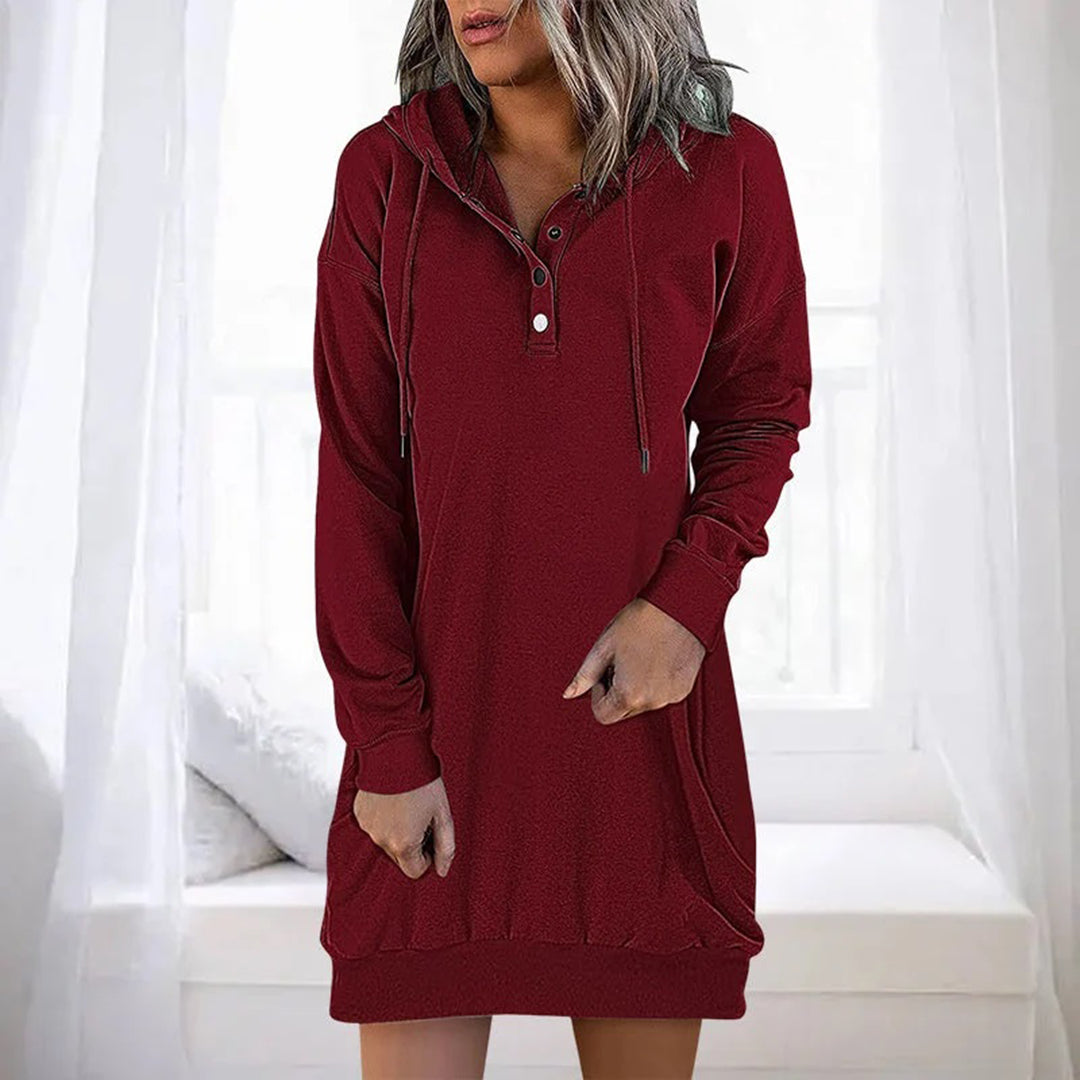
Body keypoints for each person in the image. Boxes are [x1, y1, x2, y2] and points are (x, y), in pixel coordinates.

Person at [311, 0, 812, 1075]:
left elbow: (759, 413)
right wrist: (387, 741)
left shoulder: (728, 169)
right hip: (432, 754)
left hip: (637, 737)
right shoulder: (384, 178)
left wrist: (686, 604)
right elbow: (357, 479)